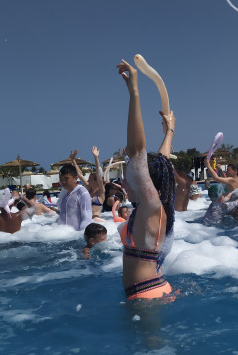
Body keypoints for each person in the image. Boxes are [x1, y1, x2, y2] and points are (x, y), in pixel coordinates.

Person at [117, 58, 176, 300]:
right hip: (151, 290)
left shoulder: (152, 206)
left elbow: (137, 152)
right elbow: (162, 164)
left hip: (146, 296)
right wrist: (169, 132)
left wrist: (134, 93)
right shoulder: (154, 206)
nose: (123, 182)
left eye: (128, 175)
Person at [70, 147, 106, 219]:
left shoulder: (101, 191)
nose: (88, 180)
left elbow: (98, 173)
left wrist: (96, 157)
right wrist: (73, 160)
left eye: (90, 179)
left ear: (95, 180)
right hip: (85, 219)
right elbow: (79, 174)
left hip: (96, 219)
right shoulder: (88, 188)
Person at [57, 164, 92, 230]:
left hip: (75, 234)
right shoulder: (63, 193)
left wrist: (82, 234)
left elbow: (87, 218)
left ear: (75, 178)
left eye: (66, 178)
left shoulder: (82, 192)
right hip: (62, 232)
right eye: (61, 179)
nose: (63, 182)